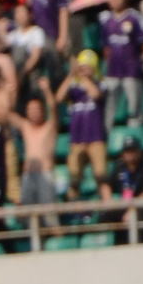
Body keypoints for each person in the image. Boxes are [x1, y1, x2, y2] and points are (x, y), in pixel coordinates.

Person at [97, 0, 143, 132]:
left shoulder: (135, 18)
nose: (114, 0)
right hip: (113, 70)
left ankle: (136, 133)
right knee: (109, 104)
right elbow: (106, 46)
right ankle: (107, 134)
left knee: (134, 104)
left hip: (132, 68)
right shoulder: (106, 20)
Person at [0, 87, 59, 211]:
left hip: (45, 175)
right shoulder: (26, 127)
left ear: (42, 110)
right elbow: (8, 114)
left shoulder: (49, 127)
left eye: (36, 109)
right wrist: (9, 95)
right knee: (27, 213)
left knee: (49, 214)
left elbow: (53, 107)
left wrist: (47, 90)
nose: (33, 112)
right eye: (30, 109)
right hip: (28, 175)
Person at [57, 52, 108, 200]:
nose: (83, 70)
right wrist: (71, 76)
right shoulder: (74, 90)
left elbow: (96, 95)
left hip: (96, 138)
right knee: (74, 178)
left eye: (86, 67)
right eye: (82, 67)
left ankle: (109, 207)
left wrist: (83, 78)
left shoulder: (100, 84)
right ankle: (73, 211)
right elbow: (59, 97)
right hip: (77, 140)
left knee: (101, 176)